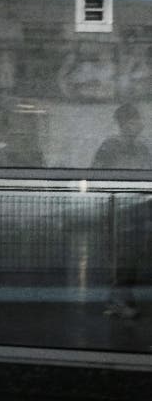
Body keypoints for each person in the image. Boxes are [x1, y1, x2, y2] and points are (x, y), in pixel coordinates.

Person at [93, 102, 152, 319]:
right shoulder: (111, 147)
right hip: (120, 210)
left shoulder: (141, 147)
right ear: (124, 123)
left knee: (132, 256)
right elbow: (97, 175)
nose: (140, 124)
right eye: (135, 120)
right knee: (124, 256)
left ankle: (119, 298)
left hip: (137, 208)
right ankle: (119, 299)